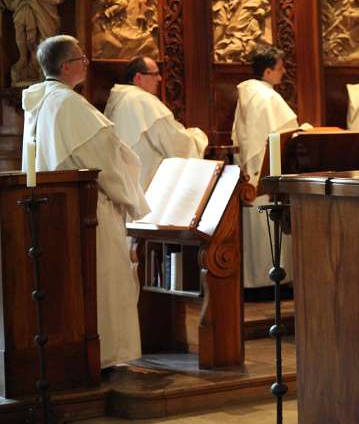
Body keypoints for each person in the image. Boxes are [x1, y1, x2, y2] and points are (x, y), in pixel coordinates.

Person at [21, 35, 149, 368]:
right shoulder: (69, 105)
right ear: (66, 67)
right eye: (82, 58)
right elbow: (103, 161)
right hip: (91, 209)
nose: (86, 63)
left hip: (62, 208)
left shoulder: (43, 100)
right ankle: (107, 355)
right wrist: (132, 197)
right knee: (104, 280)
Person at [232, 44, 298, 288]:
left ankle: (257, 281)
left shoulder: (248, 94)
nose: (283, 73)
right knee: (270, 234)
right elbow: (283, 133)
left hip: (252, 174)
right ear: (268, 72)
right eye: (280, 68)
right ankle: (271, 283)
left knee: (259, 235)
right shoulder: (267, 96)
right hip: (268, 174)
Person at [105, 57, 208, 189]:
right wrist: (198, 137)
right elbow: (174, 142)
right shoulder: (142, 100)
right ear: (138, 78)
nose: (159, 79)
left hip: (126, 183)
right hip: (146, 184)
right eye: (155, 74)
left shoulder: (118, 100)